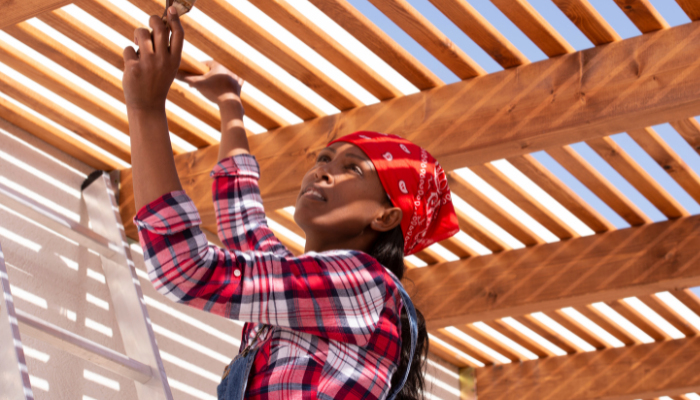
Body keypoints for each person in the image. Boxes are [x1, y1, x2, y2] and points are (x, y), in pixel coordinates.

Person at [123, 8, 459, 400]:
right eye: (323, 159)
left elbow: (187, 268)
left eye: (353, 169)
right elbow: (243, 222)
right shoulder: (310, 289)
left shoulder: (363, 283)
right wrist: (231, 102)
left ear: (386, 216)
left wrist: (145, 111)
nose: (323, 172)